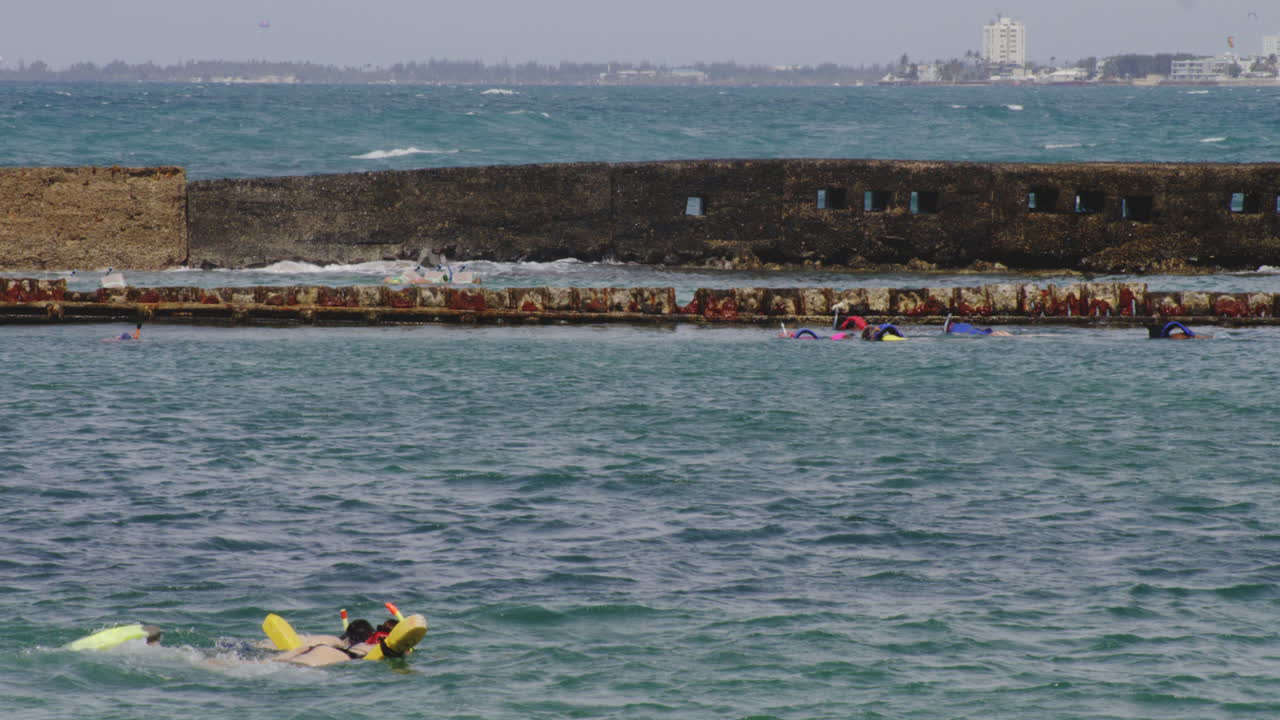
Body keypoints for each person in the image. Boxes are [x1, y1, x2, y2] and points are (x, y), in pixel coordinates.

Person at [274, 615, 399, 667]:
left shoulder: (366, 642)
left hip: (319, 648)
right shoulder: (382, 646)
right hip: (337, 655)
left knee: (269, 664)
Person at [944, 317, 1011, 337]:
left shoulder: (955, 331)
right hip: (987, 332)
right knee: (1004, 333)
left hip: (989, 334)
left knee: (1001, 334)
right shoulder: (963, 325)